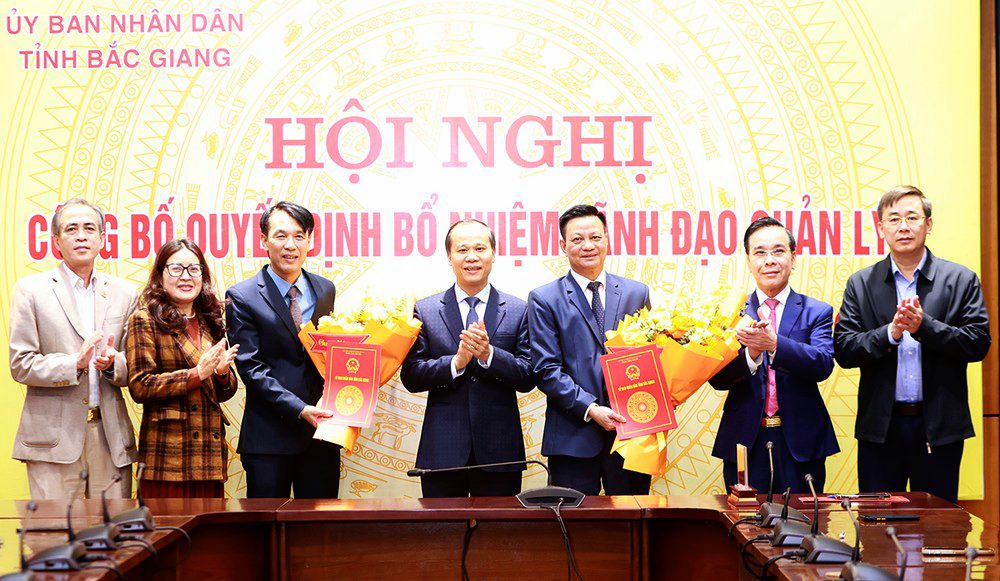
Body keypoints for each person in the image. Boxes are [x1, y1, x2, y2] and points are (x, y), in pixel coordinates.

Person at [834, 185, 990, 503]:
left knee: (939, 532)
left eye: (912, 217)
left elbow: (978, 344)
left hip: (939, 430)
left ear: (928, 224)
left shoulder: (961, 280)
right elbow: (845, 350)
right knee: (878, 527)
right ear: (881, 228)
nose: (903, 227)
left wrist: (925, 327)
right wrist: (889, 333)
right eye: (893, 219)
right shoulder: (861, 283)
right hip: (881, 431)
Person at [9, 198, 137, 499]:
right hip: (52, 441)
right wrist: (74, 363)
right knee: (55, 538)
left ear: (102, 238)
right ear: (57, 240)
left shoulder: (124, 292)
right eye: (72, 229)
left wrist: (112, 363)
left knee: (113, 540)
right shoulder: (31, 291)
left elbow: (136, 364)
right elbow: (21, 363)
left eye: (89, 228)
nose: (81, 236)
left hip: (110, 437)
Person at [400, 220, 534, 497]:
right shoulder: (425, 310)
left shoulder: (519, 309)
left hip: (500, 451)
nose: (471, 257)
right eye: (462, 250)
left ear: (493, 253)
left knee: (499, 536)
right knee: (443, 535)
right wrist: (456, 363)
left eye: (479, 248)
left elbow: (528, 375)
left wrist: (489, 355)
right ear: (449, 257)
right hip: (442, 450)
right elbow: (411, 376)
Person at [527, 204, 651, 495]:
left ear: (607, 239)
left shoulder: (637, 293)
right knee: (576, 530)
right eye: (577, 239)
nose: (588, 246)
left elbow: (649, 360)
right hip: (573, 439)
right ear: (563, 245)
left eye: (595, 237)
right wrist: (591, 408)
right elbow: (546, 370)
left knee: (632, 526)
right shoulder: (544, 298)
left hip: (630, 435)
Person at [709, 217, 839, 493]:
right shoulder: (728, 314)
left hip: (801, 441)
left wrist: (774, 344)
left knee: (803, 526)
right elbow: (717, 378)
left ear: (793, 259)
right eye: (760, 252)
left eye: (778, 251)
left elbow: (823, 364)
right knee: (744, 525)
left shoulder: (817, 311)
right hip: (744, 439)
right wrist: (752, 354)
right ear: (748, 260)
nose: (769, 260)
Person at [226, 201, 340, 498]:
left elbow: (328, 356)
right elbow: (251, 368)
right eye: (280, 236)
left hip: (321, 435)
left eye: (299, 236)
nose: (290, 245)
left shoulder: (325, 289)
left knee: (318, 534)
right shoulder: (242, 296)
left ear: (310, 241)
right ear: (264, 240)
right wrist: (299, 409)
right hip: (268, 439)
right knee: (266, 534)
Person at [126, 239, 239, 498]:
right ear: (160, 276)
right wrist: (196, 374)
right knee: (168, 535)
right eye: (176, 269)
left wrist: (221, 374)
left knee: (209, 536)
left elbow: (223, 391)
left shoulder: (211, 321)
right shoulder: (144, 320)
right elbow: (140, 385)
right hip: (168, 455)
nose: (186, 277)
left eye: (194, 269)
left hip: (208, 457)